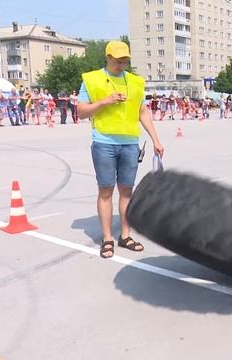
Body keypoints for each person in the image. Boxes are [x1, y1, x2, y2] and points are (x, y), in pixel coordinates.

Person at [77, 40, 164, 259]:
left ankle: (125, 235)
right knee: (105, 191)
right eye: (118, 61)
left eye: (125, 61)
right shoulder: (92, 80)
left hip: (130, 144)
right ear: (107, 57)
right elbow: (81, 112)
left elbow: (142, 111)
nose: (122, 64)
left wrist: (155, 139)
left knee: (127, 191)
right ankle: (107, 238)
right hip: (104, 143)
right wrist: (104, 101)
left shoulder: (135, 82)